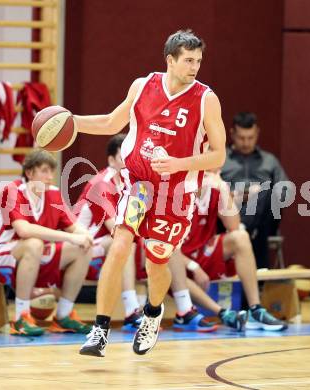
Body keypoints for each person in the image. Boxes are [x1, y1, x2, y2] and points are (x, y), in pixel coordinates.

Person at [73, 29, 227, 357]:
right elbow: (113, 122)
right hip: (140, 184)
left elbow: (219, 155)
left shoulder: (205, 99)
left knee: (157, 263)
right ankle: (100, 329)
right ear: (170, 60)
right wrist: (72, 122)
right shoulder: (143, 86)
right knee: (120, 245)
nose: (195, 66)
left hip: (176, 194)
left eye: (198, 60)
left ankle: (153, 313)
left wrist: (178, 163)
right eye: (188, 60)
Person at [0, 149, 93, 336]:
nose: (50, 176)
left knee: (83, 249)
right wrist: (71, 237)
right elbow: (24, 230)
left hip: (24, 254)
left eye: (52, 171)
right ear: (30, 173)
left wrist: (85, 236)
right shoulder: (12, 191)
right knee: (34, 243)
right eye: (44, 171)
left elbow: (74, 227)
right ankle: (22, 316)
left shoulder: (54, 195)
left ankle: (63, 315)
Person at [169, 171, 287, 331]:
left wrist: (223, 189)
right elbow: (164, 245)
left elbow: (234, 226)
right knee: (167, 261)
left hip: (203, 254)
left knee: (241, 237)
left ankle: (255, 309)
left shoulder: (214, 186)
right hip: (176, 260)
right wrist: (193, 267)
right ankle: (220, 312)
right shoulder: (174, 186)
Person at [75, 134, 142, 331]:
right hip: (82, 251)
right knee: (123, 242)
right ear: (111, 160)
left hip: (102, 249)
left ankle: (183, 309)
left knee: (159, 244)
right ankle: (132, 310)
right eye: (124, 156)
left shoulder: (130, 183)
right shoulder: (101, 184)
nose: (129, 161)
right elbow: (115, 228)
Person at [221, 112, 289, 269]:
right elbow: (208, 189)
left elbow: (285, 192)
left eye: (250, 138)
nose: (246, 143)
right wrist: (238, 195)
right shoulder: (221, 159)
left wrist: (258, 196)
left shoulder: (269, 161)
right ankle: (246, 230)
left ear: (257, 133)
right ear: (232, 134)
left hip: (265, 217)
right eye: (241, 138)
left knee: (267, 190)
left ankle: (244, 228)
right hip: (228, 215)